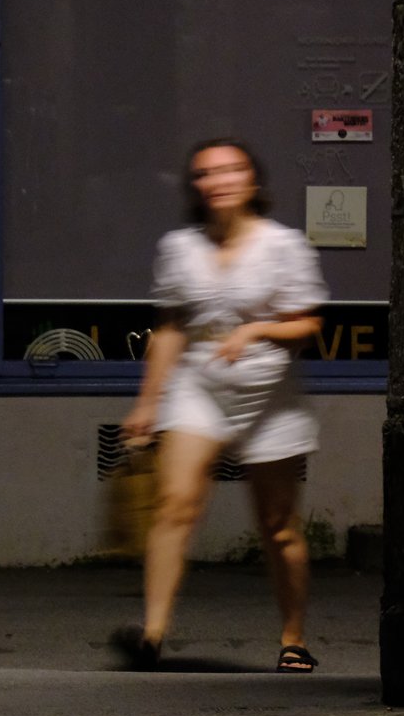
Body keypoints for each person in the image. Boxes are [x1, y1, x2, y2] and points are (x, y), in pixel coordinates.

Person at [116, 138, 327, 673]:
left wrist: (256, 328)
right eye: (208, 173)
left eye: (233, 169)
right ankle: (153, 634)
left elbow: (309, 324)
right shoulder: (179, 247)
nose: (221, 179)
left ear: (253, 181)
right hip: (201, 386)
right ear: (197, 187)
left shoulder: (283, 246)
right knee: (174, 507)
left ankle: (293, 639)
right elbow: (169, 328)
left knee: (278, 525)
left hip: (269, 397)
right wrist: (147, 401)